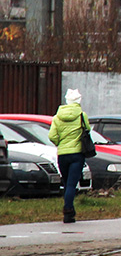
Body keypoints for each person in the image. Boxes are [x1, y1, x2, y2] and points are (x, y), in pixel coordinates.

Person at [48, 88, 89, 224]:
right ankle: (68, 211)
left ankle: (70, 210)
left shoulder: (57, 117)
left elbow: (52, 136)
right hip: (77, 154)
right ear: (78, 101)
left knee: (66, 183)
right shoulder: (82, 115)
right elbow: (87, 129)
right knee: (72, 184)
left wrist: (61, 143)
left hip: (62, 154)